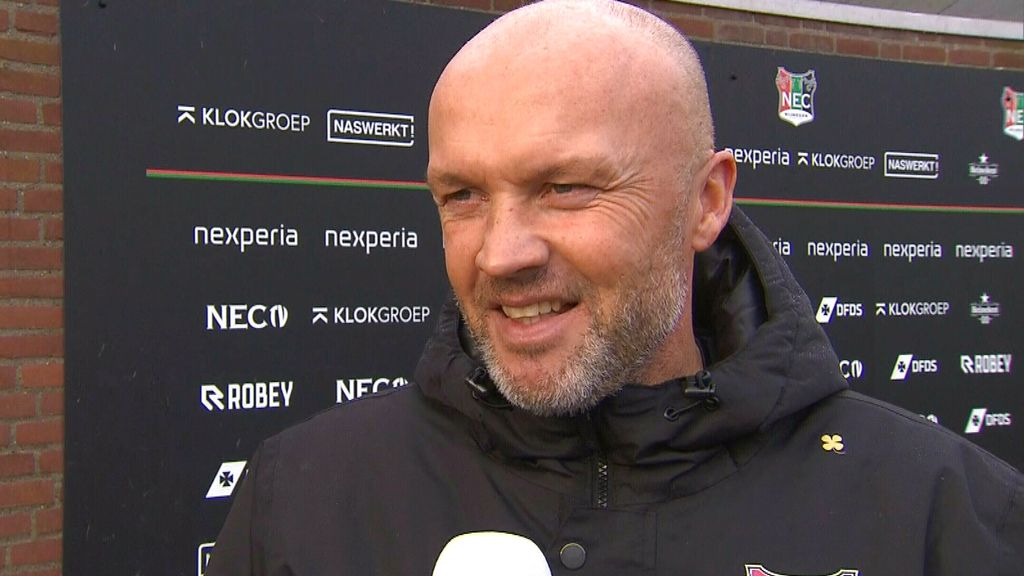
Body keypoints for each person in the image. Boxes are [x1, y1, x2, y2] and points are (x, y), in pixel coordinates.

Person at [208, 1, 1023, 574]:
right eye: (462, 195)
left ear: (706, 201)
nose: (501, 254)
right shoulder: (301, 500)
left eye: (564, 187)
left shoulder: (946, 517)